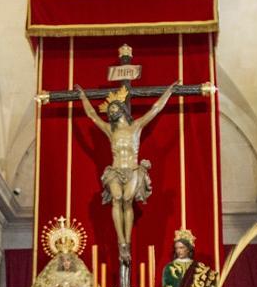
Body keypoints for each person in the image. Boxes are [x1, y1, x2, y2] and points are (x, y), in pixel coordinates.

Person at [75, 80, 179, 262]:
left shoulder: (136, 126)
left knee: (127, 200)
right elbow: (92, 115)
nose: (111, 112)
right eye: (110, 110)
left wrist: (169, 91)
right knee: (116, 199)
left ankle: (128, 242)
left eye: (115, 109)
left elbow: (155, 109)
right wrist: (82, 96)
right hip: (115, 170)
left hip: (132, 170)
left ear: (122, 110)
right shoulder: (109, 129)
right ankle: (121, 243)